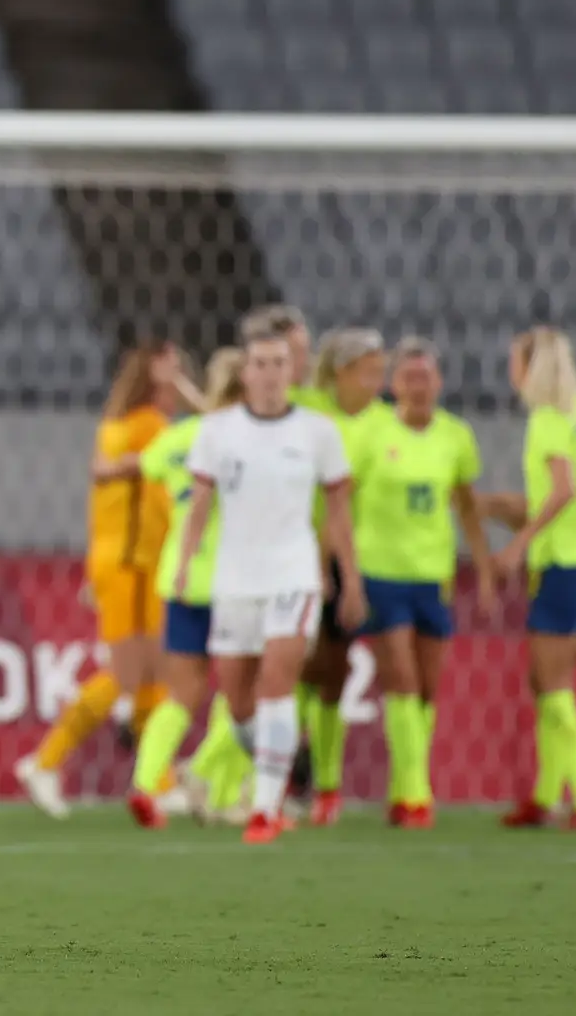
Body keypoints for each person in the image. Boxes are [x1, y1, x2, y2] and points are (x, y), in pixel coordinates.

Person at [174, 320, 364, 844]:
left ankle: (264, 809)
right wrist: (186, 563)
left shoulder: (318, 432)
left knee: (277, 683)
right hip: (235, 579)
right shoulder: (218, 431)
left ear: (292, 370)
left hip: (292, 576)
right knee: (238, 700)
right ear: (246, 372)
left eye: (280, 363)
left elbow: (338, 512)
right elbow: (199, 506)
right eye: (260, 364)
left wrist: (350, 579)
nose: (271, 373)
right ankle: (280, 764)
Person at [17, 342, 199, 818]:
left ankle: (157, 780)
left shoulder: (115, 426)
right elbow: (213, 436)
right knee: (128, 673)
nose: (179, 382)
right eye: (173, 373)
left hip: (121, 563)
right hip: (136, 564)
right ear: (156, 381)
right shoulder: (149, 426)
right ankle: (45, 761)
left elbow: (108, 504)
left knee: (150, 674)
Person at [351, 338, 494, 828]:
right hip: (382, 572)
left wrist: (484, 568)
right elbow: (342, 501)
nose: (417, 386)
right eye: (408, 377)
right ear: (394, 385)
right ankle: (418, 793)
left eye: (425, 377)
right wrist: (341, 568)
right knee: (402, 679)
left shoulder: (455, 436)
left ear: (439, 383)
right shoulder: (371, 434)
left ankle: (402, 789)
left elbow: (466, 506)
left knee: (428, 689)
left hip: (433, 575)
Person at [482, 328, 576, 829]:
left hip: (564, 565)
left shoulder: (547, 420)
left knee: (553, 684)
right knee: (546, 682)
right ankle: (544, 796)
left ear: (530, 368)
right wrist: (496, 506)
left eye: (514, 361)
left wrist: (519, 544)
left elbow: (563, 491)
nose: (511, 370)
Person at [127, 347, 253, 828]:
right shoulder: (253, 443)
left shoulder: (180, 438)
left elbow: (145, 466)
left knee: (182, 692)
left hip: (181, 576)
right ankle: (213, 782)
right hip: (235, 578)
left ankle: (146, 783)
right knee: (243, 691)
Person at [290, 327, 391, 826]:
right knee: (282, 667)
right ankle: (267, 774)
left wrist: (343, 573)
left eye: (381, 373)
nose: (378, 383)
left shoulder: (380, 425)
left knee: (333, 672)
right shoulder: (303, 407)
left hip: (341, 557)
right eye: (370, 373)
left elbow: (343, 506)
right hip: (287, 554)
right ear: (342, 372)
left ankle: (326, 785)